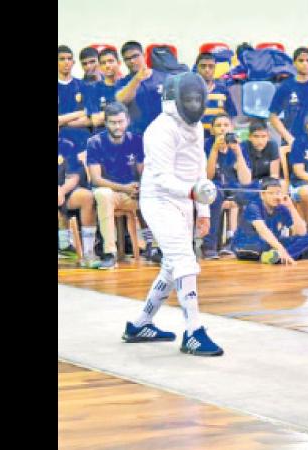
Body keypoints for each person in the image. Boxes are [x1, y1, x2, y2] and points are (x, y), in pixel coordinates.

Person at [121, 71, 223, 357]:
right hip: (160, 201)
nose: (193, 103)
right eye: (188, 98)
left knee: (171, 266)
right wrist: (193, 193)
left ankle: (140, 324)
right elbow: (162, 178)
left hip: (184, 201)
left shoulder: (197, 126)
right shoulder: (160, 130)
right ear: (174, 99)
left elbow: (198, 168)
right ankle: (193, 331)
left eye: (196, 98)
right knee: (184, 261)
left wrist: (202, 208)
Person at [87, 102, 145, 269]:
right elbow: (96, 179)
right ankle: (109, 253)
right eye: (113, 122)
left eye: (120, 122)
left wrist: (139, 187)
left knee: (155, 193)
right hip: (111, 194)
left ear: (127, 121)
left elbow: (144, 172)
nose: (117, 126)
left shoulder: (137, 140)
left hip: (132, 195)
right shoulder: (95, 142)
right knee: (103, 194)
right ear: (106, 123)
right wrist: (124, 188)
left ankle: (155, 247)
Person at [232, 177, 308, 264]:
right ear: (262, 195)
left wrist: (291, 207)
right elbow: (264, 232)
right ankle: (283, 255)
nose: (275, 196)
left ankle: (276, 256)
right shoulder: (253, 207)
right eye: (271, 193)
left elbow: (301, 232)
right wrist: (282, 250)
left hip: (270, 245)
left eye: (278, 193)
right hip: (248, 245)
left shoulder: (281, 207)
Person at [203, 114, 252, 258]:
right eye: (218, 125)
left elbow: (246, 180)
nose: (222, 129)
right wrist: (214, 150)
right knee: (215, 194)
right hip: (213, 185)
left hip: (233, 186)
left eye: (226, 125)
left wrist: (238, 154)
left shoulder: (240, 145)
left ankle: (235, 242)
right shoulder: (206, 145)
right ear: (212, 130)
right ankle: (209, 246)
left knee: (247, 194)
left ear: (231, 128)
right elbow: (208, 177)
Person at [59, 134, 101, 269]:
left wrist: (62, 190)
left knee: (87, 197)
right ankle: (63, 244)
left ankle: (88, 252)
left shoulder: (67, 145)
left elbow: (74, 177)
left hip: (64, 191)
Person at [115, 41, 169, 136]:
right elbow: (121, 100)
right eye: (127, 59)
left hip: (163, 133)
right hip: (137, 135)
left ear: (144, 55)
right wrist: (136, 79)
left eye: (135, 56)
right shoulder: (122, 82)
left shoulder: (164, 78)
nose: (132, 61)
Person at [193, 52, 238, 138]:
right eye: (203, 66)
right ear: (197, 68)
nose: (207, 69)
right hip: (195, 137)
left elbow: (231, 116)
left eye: (210, 66)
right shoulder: (188, 90)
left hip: (218, 137)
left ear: (214, 68)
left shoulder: (223, 90)